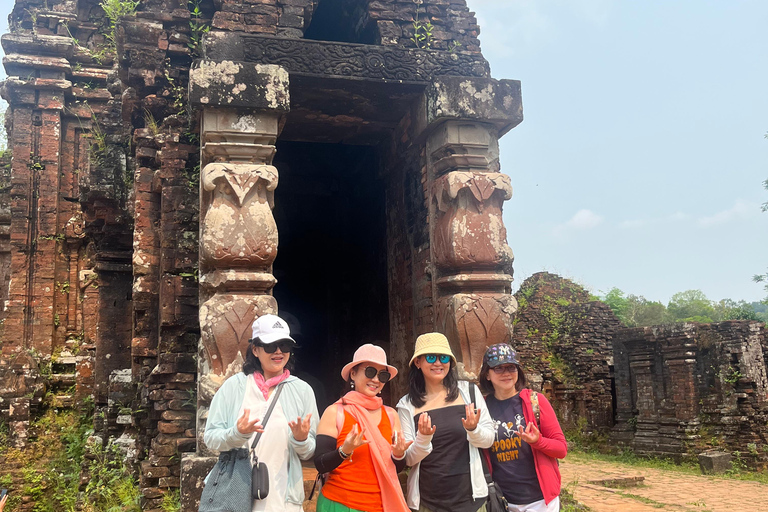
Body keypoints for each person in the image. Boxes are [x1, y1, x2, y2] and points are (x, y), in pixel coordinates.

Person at [204, 314, 319, 512]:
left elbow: (309, 451)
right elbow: (211, 438)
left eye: (284, 346)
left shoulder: (303, 391)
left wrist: (301, 439)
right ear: (255, 350)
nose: (278, 352)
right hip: (237, 493)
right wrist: (237, 434)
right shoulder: (234, 387)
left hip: (285, 500)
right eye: (270, 345)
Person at [397, 333, 495, 512]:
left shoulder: (469, 392)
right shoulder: (407, 404)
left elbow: (489, 440)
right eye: (431, 357)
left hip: (470, 498)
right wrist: (423, 439)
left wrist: (473, 429)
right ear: (418, 362)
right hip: (428, 501)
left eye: (443, 358)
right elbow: (409, 459)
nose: (438, 363)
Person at [314, 344, 411, 512]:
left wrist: (399, 454)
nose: (376, 380)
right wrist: (344, 451)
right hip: (340, 504)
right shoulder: (335, 412)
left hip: (380, 505)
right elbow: (320, 464)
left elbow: (397, 467)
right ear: (353, 373)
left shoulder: (391, 415)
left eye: (383, 375)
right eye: (370, 372)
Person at [479, 343, 567, 512]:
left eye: (511, 367)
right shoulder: (482, 407)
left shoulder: (536, 401)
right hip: (501, 499)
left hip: (539, 500)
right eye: (498, 368)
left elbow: (561, 449)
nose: (506, 373)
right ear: (487, 374)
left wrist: (538, 441)